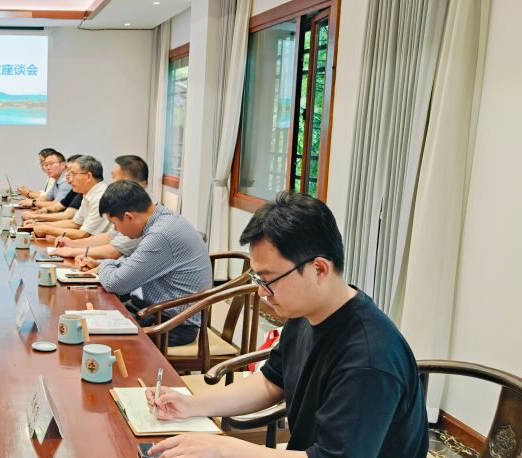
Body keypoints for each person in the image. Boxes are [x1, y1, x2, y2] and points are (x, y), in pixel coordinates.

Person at [146, 192, 429, 457]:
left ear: (319, 269)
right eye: (258, 279)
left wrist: (225, 449)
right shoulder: (305, 312)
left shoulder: (368, 359)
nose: (261, 292)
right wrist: (191, 405)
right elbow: (271, 382)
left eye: (268, 279)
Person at [75, 180, 211, 345]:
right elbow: (138, 263)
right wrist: (104, 265)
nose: (116, 230)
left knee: (90, 333)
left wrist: (105, 265)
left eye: (115, 224)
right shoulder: (163, 219)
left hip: (170, 325)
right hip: (154, 311)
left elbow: (116, 284)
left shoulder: (160, 234)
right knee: (91, 314)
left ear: (128, 217)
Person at [51, 155, 150, 260]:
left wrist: (72, 251)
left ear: (127, 182)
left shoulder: (140, 210)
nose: (111, 182)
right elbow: (110, 237)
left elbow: (114, 251)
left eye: (113, 177)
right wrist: (72, 244)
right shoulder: (132, 202)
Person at [29, 155, 111, 239]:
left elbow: (83, 234)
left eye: (73, 174)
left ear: (88, 176)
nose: (70, 180)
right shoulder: (88, 194)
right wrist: (39, 224)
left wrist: (47, 229)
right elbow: (74, 223)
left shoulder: (100, 198)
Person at [21, 154, 84, 223]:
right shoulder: (73, 188)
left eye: (73, 172)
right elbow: (56, 204)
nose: (47, 168)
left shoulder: (68, 184)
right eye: (45, 164)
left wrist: (35, 215)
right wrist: (43, 210)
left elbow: (67, 216)